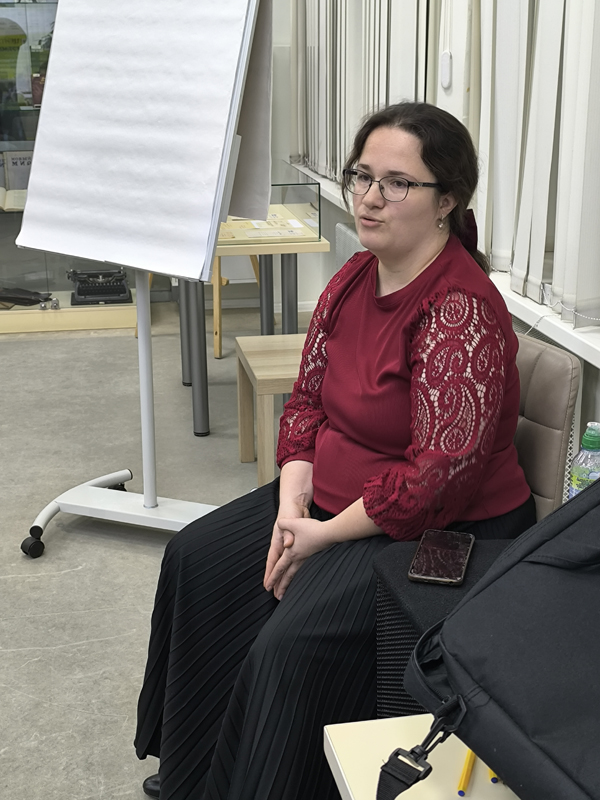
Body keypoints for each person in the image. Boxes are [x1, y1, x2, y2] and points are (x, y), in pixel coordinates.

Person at [134, 102, 535, 800]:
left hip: (441, 532)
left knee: (289, 644)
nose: (370, 197)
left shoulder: (458, 310)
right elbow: (307, 403)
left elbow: (435, 483)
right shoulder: (354, 276)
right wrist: (292, 506)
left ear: (447, 201)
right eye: (363, 176)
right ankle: (198, 773)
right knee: (197, 557)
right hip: (330, 501)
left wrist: (319, 534)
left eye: (397, 183)